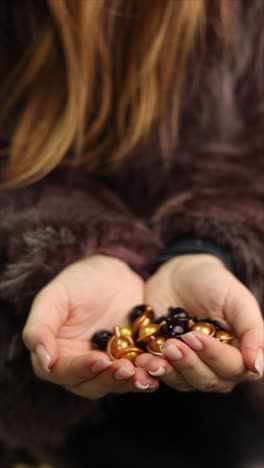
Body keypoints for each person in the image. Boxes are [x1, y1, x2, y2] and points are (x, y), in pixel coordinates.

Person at [0, 0, 263, 466]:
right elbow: (16, 165)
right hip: (45, 333)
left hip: (219, 384)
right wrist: (82, 250)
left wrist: (206, 248)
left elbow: (250, 160)